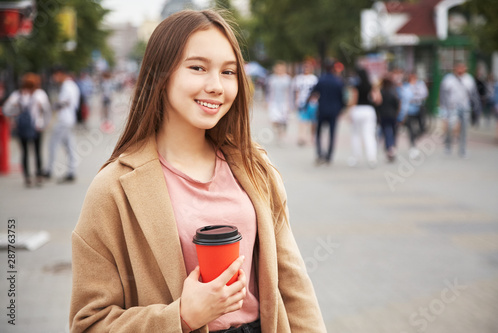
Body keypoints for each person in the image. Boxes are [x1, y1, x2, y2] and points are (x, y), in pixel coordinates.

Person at [69, 9, 326, 333]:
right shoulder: (113, 189)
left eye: (229, 72)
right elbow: (89, 323)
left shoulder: (255, 167)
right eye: (197, 68)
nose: (216, 86)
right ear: (160, 76)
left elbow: (293, 286)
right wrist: (180, 317)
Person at [2, 73, 51, 187]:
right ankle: (37, 175)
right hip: (36, 126)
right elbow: (47, 111)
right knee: (36, 151)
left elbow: (6, 110)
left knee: (26, 152)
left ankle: (28, 176)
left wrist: (15, 113)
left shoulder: (17, 95)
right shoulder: (40, 94)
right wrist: (44, 124)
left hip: (25, 127)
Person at [43, 65, 80, 182]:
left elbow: (64, 103)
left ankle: (49, 170)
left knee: (53, 144)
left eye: (55, 74)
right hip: (68, 119)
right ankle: (71, 171)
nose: (54, 77)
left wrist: (50, 106)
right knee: (69, 145)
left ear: (60, 73)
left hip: (64, 120)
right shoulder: (70, 85)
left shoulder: (67, 86)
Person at [439, 60, 481, 157]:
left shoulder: (469, 79)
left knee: (464, 129)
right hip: (452, 107)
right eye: (459, 67)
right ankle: (448, 146)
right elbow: (443, 94)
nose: (461, 70)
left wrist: (476, 107)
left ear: (465, 68)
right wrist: (443, 108)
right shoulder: (448, 79)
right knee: (450, 127)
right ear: (455, 68)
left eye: (463, 67)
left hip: (465, 107)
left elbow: (474, 95)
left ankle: (462, 150)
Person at [311, 60, 345, 165]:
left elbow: (313, 93)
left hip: (322, 109)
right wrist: (341, 109)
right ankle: (329, 155)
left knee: (319, 132)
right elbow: (342, 98)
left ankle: (320, 153)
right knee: (332, 133)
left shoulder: (321, 80)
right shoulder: (338, 81)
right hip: (334, 111)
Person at [346, 67, 380, 168]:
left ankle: (356, 157)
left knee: (355, 135)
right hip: (369, 110)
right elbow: (378, 99)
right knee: (369, 135)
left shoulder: (356, 85)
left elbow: (354, 99)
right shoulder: (371, 85)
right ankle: (372, 158)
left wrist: (349, 111)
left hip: (357, 110)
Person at [266, 61, 292, 144]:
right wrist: (267, 101)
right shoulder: (272, 79)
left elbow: (289, 92)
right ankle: (278, 134)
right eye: (278, 69)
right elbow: (269, 91)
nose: (279, 70)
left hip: (284, 102)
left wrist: (290, 104)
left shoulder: (287, 79)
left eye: (281, 69)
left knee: (284, 121)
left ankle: (283, 134)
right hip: (274, 102)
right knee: (275, 120)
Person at [292, 61, 318, 145]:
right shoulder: (298, 78)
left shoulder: (314, 78)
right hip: (302, 102)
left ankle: (312, 136)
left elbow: (317, 92)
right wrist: (296, 101)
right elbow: (297, 91)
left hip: (312, 103)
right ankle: (302, 137)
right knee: (302, 120)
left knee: (313, 121)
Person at [403, 72, 428, 159]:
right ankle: (412, 145)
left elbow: (424, 94)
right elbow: (406, 97)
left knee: (422, 127)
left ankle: (415, 136)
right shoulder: (405, 86)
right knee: (410, 129)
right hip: (409, 110)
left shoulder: (421, 84)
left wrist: (414, 96)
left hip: (419, 108)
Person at [376, 76, 400, 162]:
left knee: (386, 132)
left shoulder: (381, 92)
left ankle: (389, 148)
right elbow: (397, 104)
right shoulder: (393, 92)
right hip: (392, 115)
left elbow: (377, 104)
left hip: (383, 115)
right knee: (392, 132)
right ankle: (391, 147)